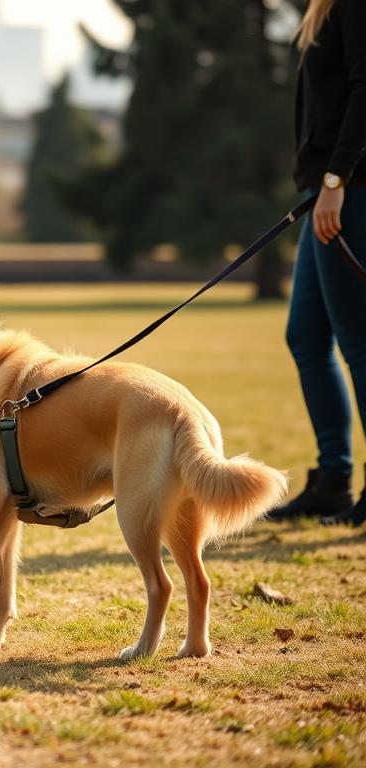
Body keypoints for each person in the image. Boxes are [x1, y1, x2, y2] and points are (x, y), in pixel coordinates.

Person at [269, 0, 366, 526]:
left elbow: (364, 87)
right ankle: (333, 480)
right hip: (324, 192)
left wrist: (337, 179)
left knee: (358, 340)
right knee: (307, 336)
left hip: (348, 192)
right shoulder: (322, 10)